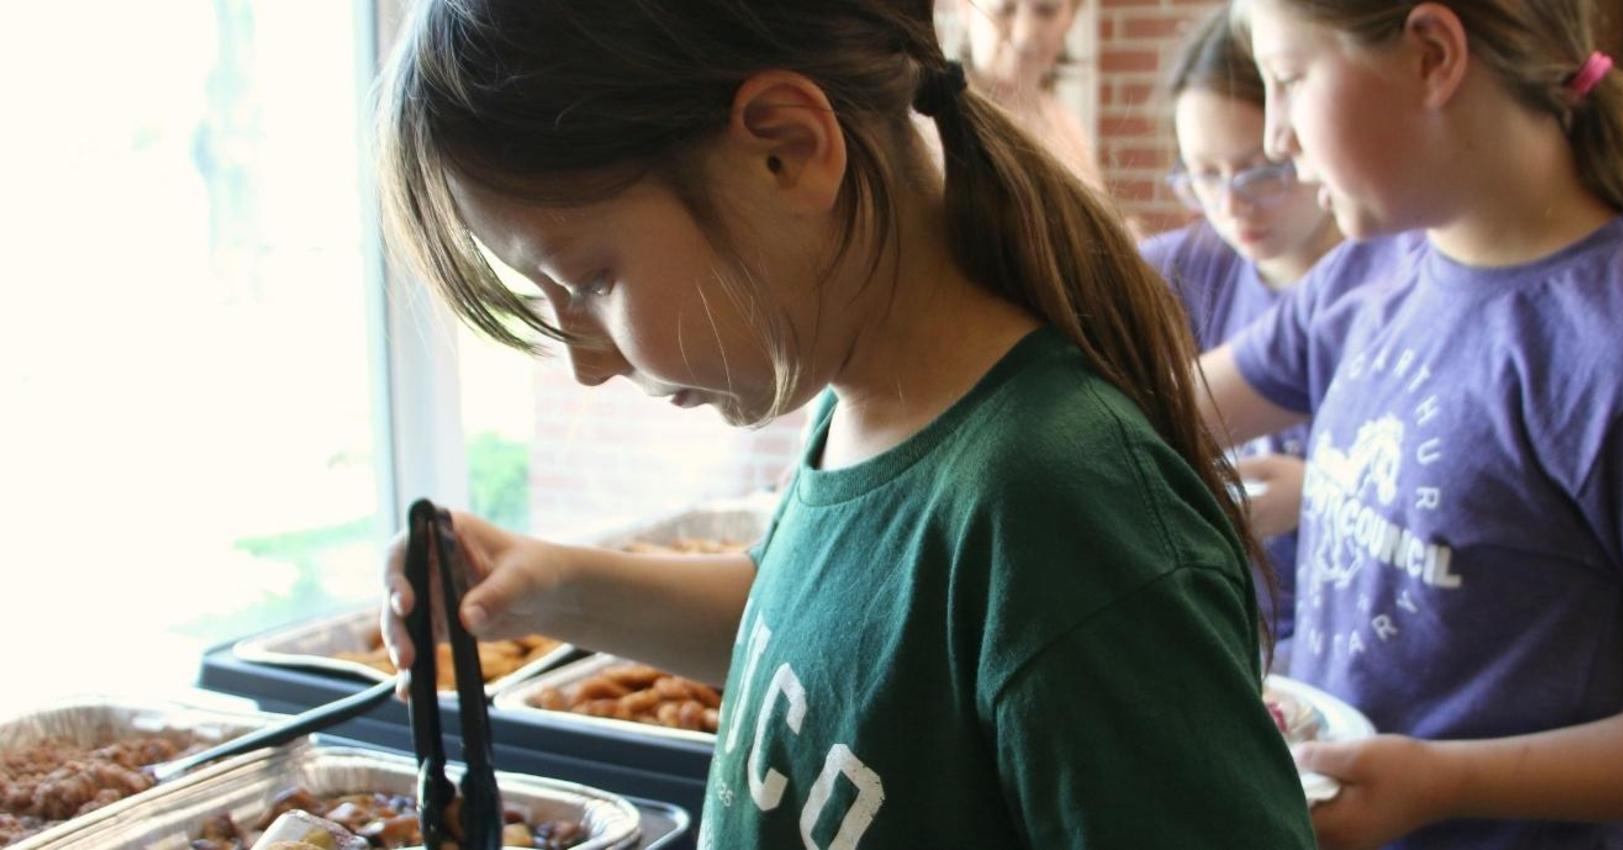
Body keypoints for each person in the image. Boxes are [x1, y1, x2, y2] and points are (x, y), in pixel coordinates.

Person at [372, 1, 1314, 848]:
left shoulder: (1063, 508)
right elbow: (828, 631)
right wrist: (550, 590)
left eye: (588, 282)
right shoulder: (863, 405)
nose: (587, 360)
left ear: (786, 149)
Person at [1195, 1, 1623, 847]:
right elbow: (1180, 401)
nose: (1277, 136)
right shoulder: (1375, 271)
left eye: (1288, 78)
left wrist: (1446, 782)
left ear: (1431, 54)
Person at [1140, 7, 1347, 660]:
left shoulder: (1376, 283)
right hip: (1215, 628)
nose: (1230, 204)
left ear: (1302, 141)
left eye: (1260, 171)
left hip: (1333, 638)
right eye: (1202, 174)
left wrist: (1320, 494)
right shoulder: (1176, 268)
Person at [958, 0, 1105, 190]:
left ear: (1070, 18)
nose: (1023, 35)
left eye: (1046, 11)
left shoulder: (1068, 126)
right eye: (1004, 9)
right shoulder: (938, 125)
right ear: (964, 7)